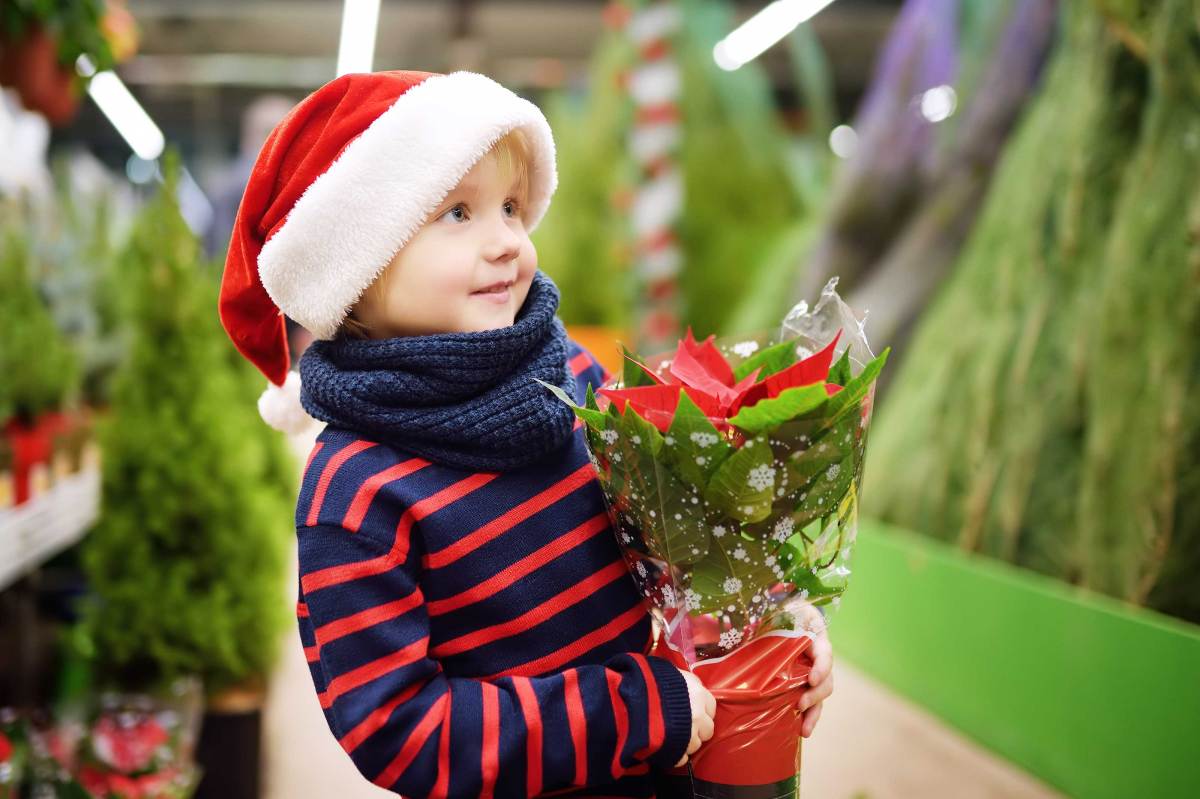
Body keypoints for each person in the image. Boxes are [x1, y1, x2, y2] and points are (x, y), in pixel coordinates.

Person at [217, 69, 831, 798]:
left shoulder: (572, 375)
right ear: (357, 265)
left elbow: (671, 546)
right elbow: (399, 728)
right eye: (457, 213)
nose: (508, 239)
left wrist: (768, 618)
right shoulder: (354, 490)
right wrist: (629, 714)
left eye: (510, 206)